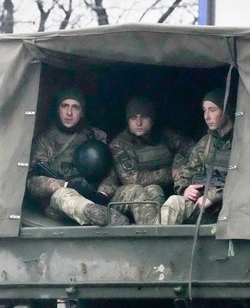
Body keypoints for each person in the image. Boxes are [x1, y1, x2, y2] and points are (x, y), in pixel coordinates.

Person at [26, 88, 129, 226]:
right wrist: (67, 185)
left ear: (82, 112)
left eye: (75, 107)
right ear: (58, 110)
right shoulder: (45, 141)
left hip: (98, 197)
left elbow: (112, 171)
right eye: (65, 106)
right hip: (61, 205)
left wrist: (102, 194)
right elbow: (33, 183)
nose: (69, 113)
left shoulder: (96, 136)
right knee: (64, 195)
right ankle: (97, 214)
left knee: (134, 191)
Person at [108, 96, 195, 224]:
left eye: (143, 117)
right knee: (152, 189)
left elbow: (193, 149)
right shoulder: (120, 144)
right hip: (131, 199)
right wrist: (170, 173)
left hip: (165, 194)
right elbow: (132, 179)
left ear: (152, 119)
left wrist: (179, 161)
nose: (138, 123)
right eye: (133, 118)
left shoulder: (165, 136)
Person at [160, 88, 235, 225]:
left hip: (236, 212)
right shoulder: (206, 143)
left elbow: (248, 180)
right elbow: (186, 175)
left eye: (212, 110)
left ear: (227, 112)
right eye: (204, 110)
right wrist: (186, 189)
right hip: (208, 211)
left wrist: (213, 196)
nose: (207, 116)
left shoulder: (244, 143)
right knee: (174, 203)